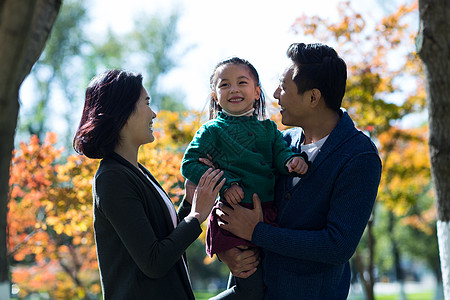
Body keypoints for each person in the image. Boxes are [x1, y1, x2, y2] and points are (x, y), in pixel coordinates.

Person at [184, 43, 382, 299]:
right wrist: (226, 251)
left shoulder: (358, 156)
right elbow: (231, 196)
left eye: (283, 87)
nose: (275, 94)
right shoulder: (282, 142)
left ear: (312, 98)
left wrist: (257, 232)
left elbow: (337, 246)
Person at [73, 69, 225, 299]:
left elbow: (167, 242)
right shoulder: (112, 177)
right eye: (146, 103)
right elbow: (154, 261)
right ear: (122, 112)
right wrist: (196, 216)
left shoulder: (136, 171)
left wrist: (189, 203)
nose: (153, 114)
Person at [180, 57, 309, 299]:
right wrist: (225, 184)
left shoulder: (269, 128)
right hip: (233, 217)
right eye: (225, 85)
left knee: (263, 286)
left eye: (242, 82)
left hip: (268, 216)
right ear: (215, 96)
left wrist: (291, 161)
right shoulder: (211, 131)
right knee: (250, 291)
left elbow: (280, 153)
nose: (234, 89)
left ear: (257, 91)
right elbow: (189, 164)